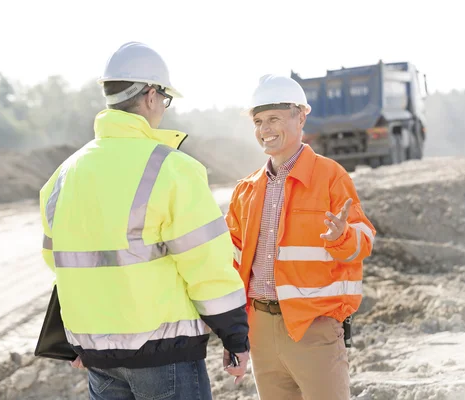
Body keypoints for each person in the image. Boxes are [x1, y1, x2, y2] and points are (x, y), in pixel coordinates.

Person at [39, 42, 250, 400]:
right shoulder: (171, 168)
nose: (163, 110)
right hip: (165, 355)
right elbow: (206, 265)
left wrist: (81, 337)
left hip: (97, 359)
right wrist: (234, 335)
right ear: (151, 96)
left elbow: (59, 262)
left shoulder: (64, 175)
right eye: (165, 100)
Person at [225, 74, 376, 400]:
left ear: (301, 116)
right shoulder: (246, 190)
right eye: (259, 121)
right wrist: (234, 333)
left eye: (274, 119)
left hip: (313, 328)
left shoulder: (330, 176)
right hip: (261, 330)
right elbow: (232, 262)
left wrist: (342, 235)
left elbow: (364, 241)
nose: (265, 129)